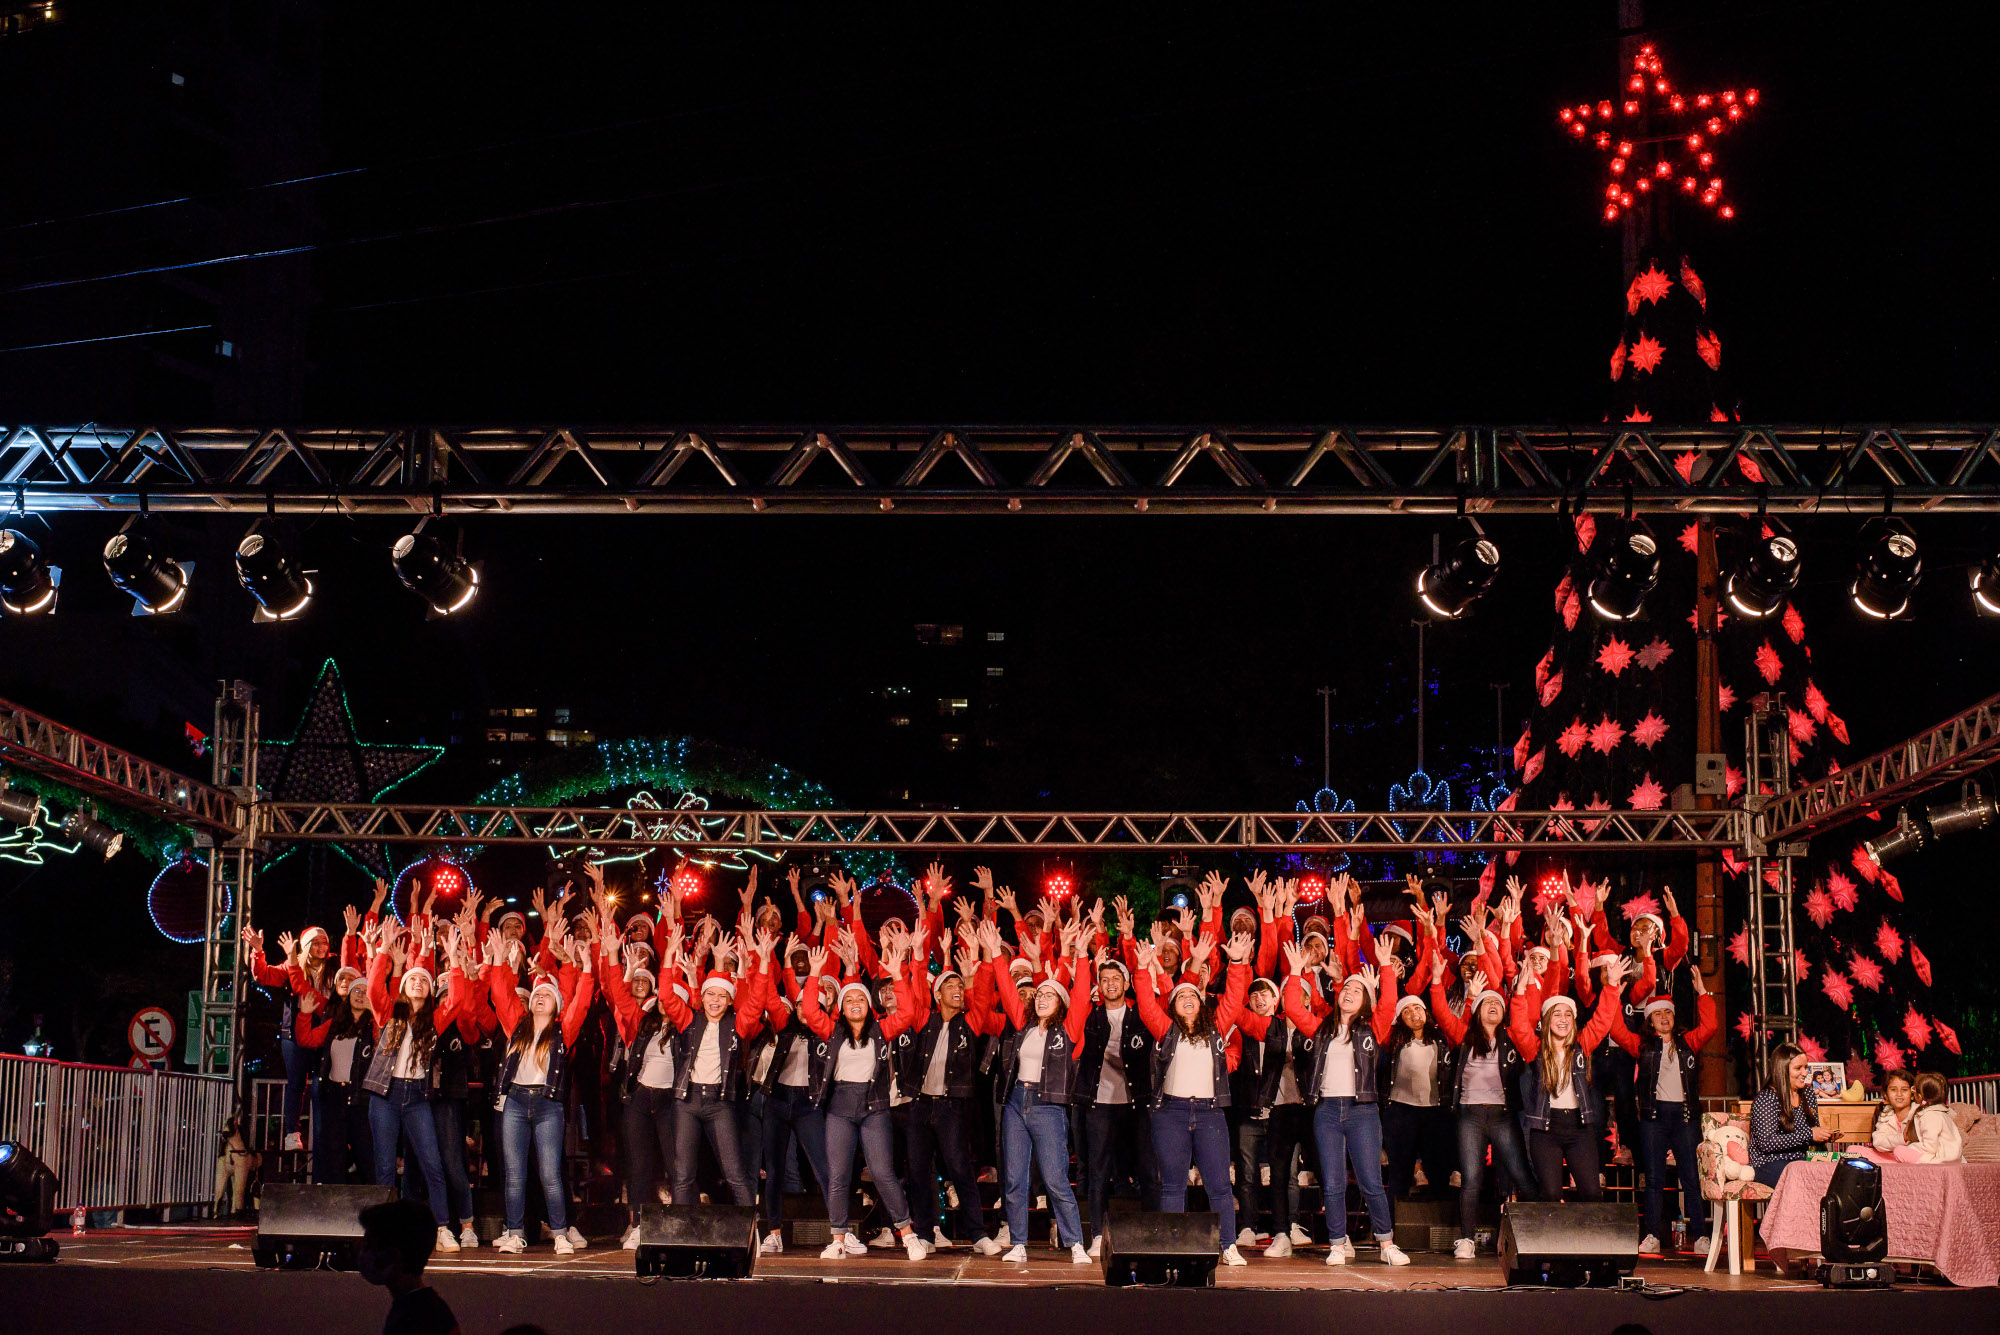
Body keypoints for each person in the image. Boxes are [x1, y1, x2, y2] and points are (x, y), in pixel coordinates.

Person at [796, 931, 929, 1260]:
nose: (854, 1004)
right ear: (841, 1008)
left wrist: (898, 974)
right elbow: (811, 1010)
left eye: (860, 1000)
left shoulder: (882, 1030)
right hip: (840, 1108)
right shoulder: (832, 1029)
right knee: (839, 1176)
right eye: (848, 1001)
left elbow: (909, 1012)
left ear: (869, 1007)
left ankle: (908, 1234)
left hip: (874, 1108)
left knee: (883, 1172)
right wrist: (814, 974)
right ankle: (838, 1238)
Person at [1279, 933, 1410, 1266]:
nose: (1350, 992)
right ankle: (1338, 1243)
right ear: (1338, 997)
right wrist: (1296, 972)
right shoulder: (1322, 1028)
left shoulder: (1373, 1028)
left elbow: (1390, 1004)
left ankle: (1386, 1243)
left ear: (1366, 1000)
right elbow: (1293, 1006)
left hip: (1362, 1111)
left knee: (1369, 1180)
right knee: (1333, 1181)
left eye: (1358, 990)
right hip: (1326, 1112)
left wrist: (1384, 966)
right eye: (1346, 989)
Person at [1133, 930, 1255, 1267]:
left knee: (1218, 1184)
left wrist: (1235, 962)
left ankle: (1228, 1245)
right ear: (1172, 1005)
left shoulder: (1216, 1027)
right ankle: (1173, 1246)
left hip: (1209, 1113)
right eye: (1181, 995)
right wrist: (1143, 971)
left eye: (1193, 995)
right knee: (1172, 1185)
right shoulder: (1165, 1029)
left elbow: (1234, 996)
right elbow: (1145, 1005)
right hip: (1170, 1113)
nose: (1187, 998)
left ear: (1201, 1002)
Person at [477, 916, 597, 1255]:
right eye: (537, 995)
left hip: (547, 1105)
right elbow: (500, 994)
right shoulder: (516, 1025)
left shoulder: (564, 1029)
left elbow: (582, 1002)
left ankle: (559, 1232)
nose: (541, 998)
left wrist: (585, 967)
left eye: (547, 995)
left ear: (557, 1003)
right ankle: (515, 1233)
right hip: (514, 1102)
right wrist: (499, 960)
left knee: (549, 1173)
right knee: (514, 1174)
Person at [977, 918, 1093, 1264]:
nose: (1041, 997)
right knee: (1014, 1178)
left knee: (1056, 1179)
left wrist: (1082, 955)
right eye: (1039, 994)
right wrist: (995, 952)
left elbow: (1083, 994)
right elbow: (1008, 989)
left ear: (1060, 1003)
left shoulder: (1068, 1031)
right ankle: (1019, 1243)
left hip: (1047, 1106)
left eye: (1048, 995)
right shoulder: (1022, 1024)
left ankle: (1075, 1242)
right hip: (1015, 1103)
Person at [361, 919, 470, 1254]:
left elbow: (458, 999)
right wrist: (383, 951)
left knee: (432, 1164)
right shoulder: (387, 1013)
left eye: (424, 980)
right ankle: (385, 1231)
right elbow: (373, 988)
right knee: (384, 1167)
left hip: (418, 1097)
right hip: (386, 1095)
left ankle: (442, 1228)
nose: (420, 983)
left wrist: (452, 961)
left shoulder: (435, 1020)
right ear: (404, 987)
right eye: (413, 980)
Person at [898, 937, 1004, 1255]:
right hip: (920, 1106)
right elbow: (913, 991)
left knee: (960, 1168)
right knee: (918, 1171)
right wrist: (917, 955)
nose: (957, 988)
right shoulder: (923, 1019)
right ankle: (927, 1234)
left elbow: (982, 997)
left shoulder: (969, 1022)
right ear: (938, 993)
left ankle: (978, 1235)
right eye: (950, 984)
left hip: (951, 1107)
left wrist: (984, 958)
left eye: (960, 984)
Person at [1607, 971, 1718, 1255]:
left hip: (1684, 1117)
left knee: (1691, 1177)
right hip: (1654, 1118)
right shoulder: (1642, 1046)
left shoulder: (1688, 1042)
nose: (1665, 1018)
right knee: (1654, 1178)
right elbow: (1617, 1030)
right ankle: (1653, 1235)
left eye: (1669, 1013)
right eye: (1659, 1014)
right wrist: (1615, 996)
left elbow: (1711, 1025)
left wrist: (1703, 993)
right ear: (1650, 1020)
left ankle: (1701, 1236)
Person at [1428, 957, 1530, 1260]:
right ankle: (1466, 1239)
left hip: (1502, 1115)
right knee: (1471, 1178)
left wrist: (1521, 990)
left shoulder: (1511, 1037)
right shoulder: (1464, 1036)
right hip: (1470, 1115)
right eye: (1487, 1003)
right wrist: (1436, 981)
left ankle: (1541, 1231)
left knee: (1521, 1175)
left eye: (1498, 1003)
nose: (1494, 1006)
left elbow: (1523, 1019)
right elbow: (1443, 1014)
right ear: (1476, 1011)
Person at [1508, 955, 1630, 1202]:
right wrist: (1520, 993)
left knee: (1591, 1192)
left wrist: (1612, 987)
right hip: (1545, 1130)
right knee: (1551, 1193)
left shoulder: (1582, 1045)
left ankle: (1588, 1241)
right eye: (1556, 1014)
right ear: (1546, 1021)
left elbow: (1602, 1020)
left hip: (1579, 1128)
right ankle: (1552, 1241)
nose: (1562, 1019)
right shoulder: (1535, 1049)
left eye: (1567, 1014)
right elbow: (1520, 1028)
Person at [296, 964, 376, 1185]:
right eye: (356, 991)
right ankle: (332, 1208)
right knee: (333, 1152)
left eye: (365, 992)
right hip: (333, 1095)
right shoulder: (334, 1024)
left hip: (361, 1097)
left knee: (365, 1151)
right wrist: (304, 1015)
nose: (360, 996)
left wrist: (376, 1010)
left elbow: (386, 1040)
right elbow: (307, 1040)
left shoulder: (374, 1027)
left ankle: (373, 1206)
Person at [1379, 990, 1456, 1203]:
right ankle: (1394, 1227)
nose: (1414, 1013)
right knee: (1399, 1173)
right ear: (1399, 1018)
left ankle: (1439, 1226)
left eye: (1417, 1008)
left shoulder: (1441, 1038)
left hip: (1435, 1112)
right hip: (1401, 1112)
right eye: (1406, 1010)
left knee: (1438, 1171)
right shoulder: (1392, 1041)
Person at [358, 1197, 461, 1335]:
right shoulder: (424, 1308)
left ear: (395, 1254)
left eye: (371, 1246)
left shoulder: (415, 1320)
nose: (364, 1253)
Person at [1748, 1042, 1835, 1188]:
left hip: (1801, 1161)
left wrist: (1823, 1136)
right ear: (1782, 1070)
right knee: (1800, 1179)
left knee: (1839, 1174)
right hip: (1769, 1162)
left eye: (1806, 1067)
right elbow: (1767, 1142)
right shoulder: (1767, 1098)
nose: (1805, 1073)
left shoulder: (1808, 1094)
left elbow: (1812, 1132)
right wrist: (1810, 1135)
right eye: (1798, 1068)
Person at [1886, 1072, 1964, 1164]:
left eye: (1914, 1090)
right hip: (1950, 1156)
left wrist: (1911, 1147)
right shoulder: (1941, 1112)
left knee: (1899, 1150)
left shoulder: (1930, 1115)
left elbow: (1930, 1146)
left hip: (1940, 1158)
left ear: (1919, 1096)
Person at [214, 1111, 260, 1217]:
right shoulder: (234, 1129)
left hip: (234, 1157)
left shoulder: (234, 1129)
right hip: (232, 1157)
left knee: (236, 1185)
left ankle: (234, 1208)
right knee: (236, 1185)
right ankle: (234, 1208)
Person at [1871, 1071, 1919, 1152]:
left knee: (1899, 1151)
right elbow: (1878, 1142)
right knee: (1853, 1149)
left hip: (1914, 1156)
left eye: (1904, 1090)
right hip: (1891, 1157)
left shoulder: (1918, 1113)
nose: (1899, 1094)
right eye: (1893, 1090)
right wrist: (1902, 1138)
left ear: (1912, 1094)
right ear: (1886, 1095)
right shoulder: (1886, 1114)